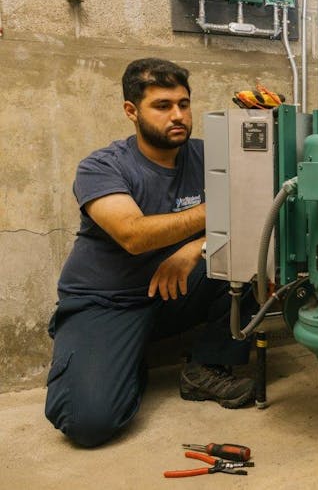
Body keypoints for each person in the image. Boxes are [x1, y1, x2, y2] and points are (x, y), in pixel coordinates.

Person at [45, 58, 255, 448]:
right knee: (88, 424)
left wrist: (196, 248)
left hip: (172, 290)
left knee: (251, 258)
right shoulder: (103, 166)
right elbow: (133, 234)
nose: (178, 115)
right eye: (162, 106)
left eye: (184, 104)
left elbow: (256, 209)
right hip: (108, 301)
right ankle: (117, 361)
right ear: (132, 111)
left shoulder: (208, 157)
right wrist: (215, 211)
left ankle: (205, 368)